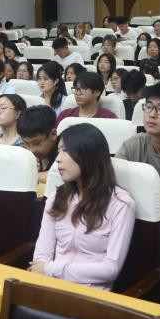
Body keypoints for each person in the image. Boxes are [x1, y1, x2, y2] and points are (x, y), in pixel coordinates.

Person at [31, 124, 136, 291]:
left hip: (89, 293)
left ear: (88, 155)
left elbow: (110, 269)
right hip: (50, 286)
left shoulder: (121, 203)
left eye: (66, 151)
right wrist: (45, 271)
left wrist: (51, 269)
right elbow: (41, 255)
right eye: (58, 151)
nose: (58, 158)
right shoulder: (57, 197)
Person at [21, 105, 59, 182]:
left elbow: (60, 176)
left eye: (36, 143)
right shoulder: (23, 153)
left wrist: (31, 175)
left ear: (53, 134)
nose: (31, 150)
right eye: (26, 143)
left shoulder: (66, 150)